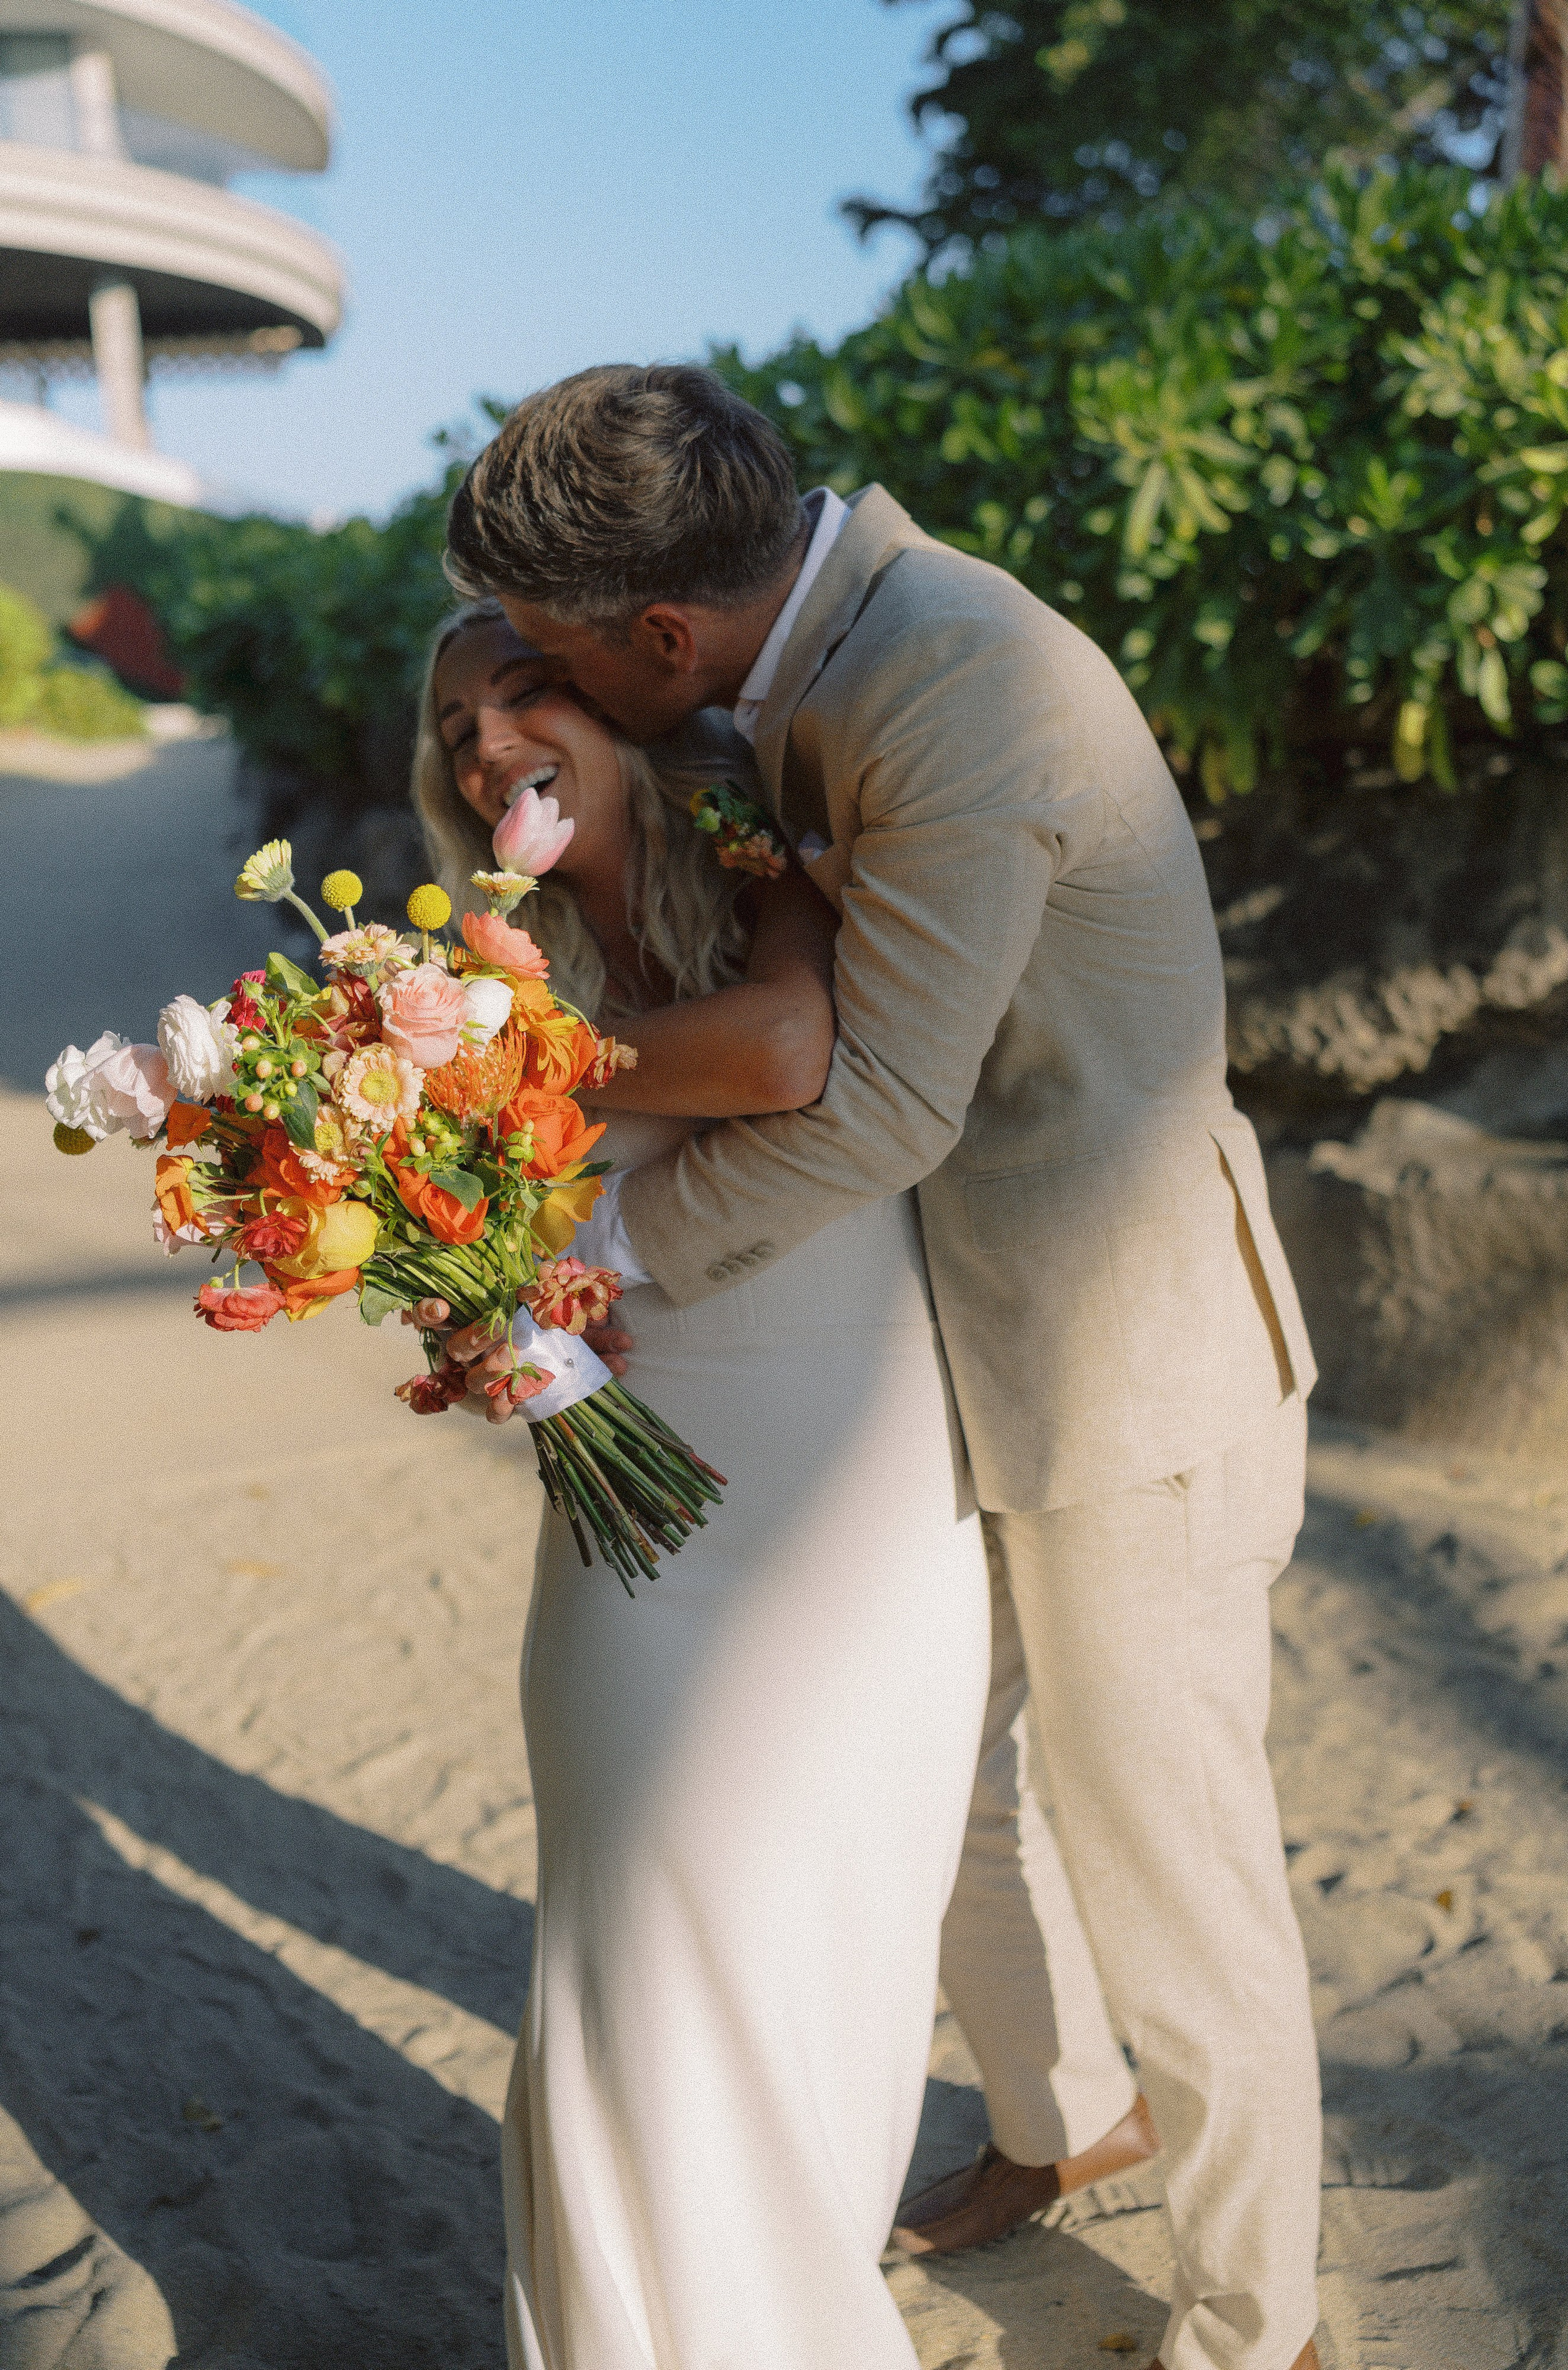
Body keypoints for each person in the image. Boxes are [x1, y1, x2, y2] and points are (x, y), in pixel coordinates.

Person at [444, 365, 1325, 2370]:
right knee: (960, 1797)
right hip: (947, 1355)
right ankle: (1061, 2120)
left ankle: (1258, 2324)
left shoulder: (954, 685)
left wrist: (599, 1253)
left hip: (1128, 1369)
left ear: (666, 636)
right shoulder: (818, 668)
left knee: (1173, 1871)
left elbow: (881, 1104)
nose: (533, 688)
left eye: (558, 654)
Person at [412, 601, 995, 2370]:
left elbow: (786, 1051)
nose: (486, 745)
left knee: (827, 1921)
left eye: (527, 694)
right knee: (638, 1920)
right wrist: (483, 1314)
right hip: (632, 1511)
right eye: (455, 727)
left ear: (619, 710)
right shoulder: (454, 971)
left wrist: (536, 1060)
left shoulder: (750, 859)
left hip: (851, 1472)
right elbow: (472, 1236)